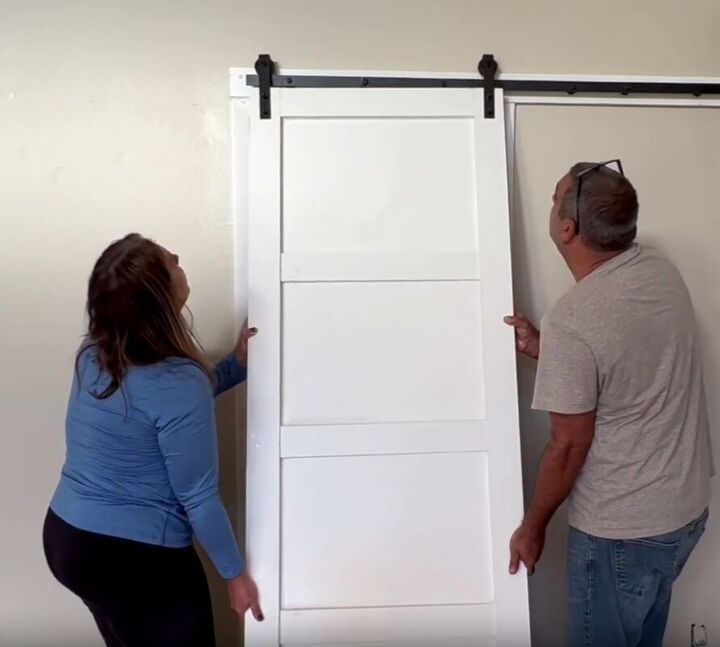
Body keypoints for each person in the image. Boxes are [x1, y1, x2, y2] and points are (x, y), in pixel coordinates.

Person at [505, 161, 713, 647]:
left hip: (623, 535)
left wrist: (532, 527)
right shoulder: (657, 269)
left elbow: (568, 446)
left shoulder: (576, 319)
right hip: (683, 515)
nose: (551, 205)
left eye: (554, 199)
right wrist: (549, 349)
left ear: (567, 227)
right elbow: (629, 360)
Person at [43, 233, 262, 647]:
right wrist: (235, 577)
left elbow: (158, 407)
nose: (178, 257)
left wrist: (234, 367)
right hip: (131, 555)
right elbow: (198, 496)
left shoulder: (94, 355)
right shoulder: (178, 381)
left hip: (68, 539)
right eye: (170, 261)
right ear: (159, 299)